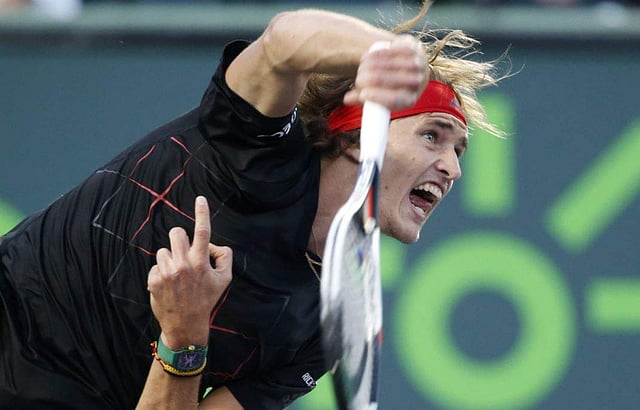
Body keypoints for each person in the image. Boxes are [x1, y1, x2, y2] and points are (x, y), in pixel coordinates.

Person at [0, 2, 506, 408]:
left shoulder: (321, 328)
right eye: (432, 136)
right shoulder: (251, 142)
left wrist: (184, 334)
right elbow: (283, 41)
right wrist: (380, 52)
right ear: (356, 135)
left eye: (458, 152)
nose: (452, 168)